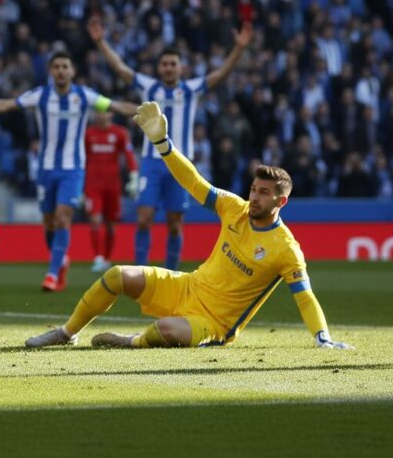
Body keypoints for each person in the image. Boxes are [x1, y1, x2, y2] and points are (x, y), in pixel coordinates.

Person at [25, 101, 353, 350]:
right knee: (116, 276)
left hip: (213, 322)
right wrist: (163, 144)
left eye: (264, 194)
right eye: (254, 189)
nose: (254, 197)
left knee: (166, 330)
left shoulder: (286, 249)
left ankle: (131, 342)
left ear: (281, 202)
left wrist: (323, 338)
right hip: (187, 286)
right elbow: (194, 182)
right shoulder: (233, 208)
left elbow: (305, 298)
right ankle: (67, 333)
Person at [88, 16, 253, 271]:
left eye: (173, 64)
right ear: (159, 68)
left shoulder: (190, 89)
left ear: (181, 68)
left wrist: (239, 48)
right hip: (152, 163)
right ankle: (140, 272)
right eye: (164, 64)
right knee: (144, 219)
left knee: (175, 223)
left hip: (180, 164)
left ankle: (172, 273)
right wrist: (100, 43)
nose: (168, 68)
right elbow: (120, 68)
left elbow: (220, 75)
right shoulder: (149, 87)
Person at [0, 52, 135, 292]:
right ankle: (60, 259)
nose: (61, 70)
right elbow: (6, 105)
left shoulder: (85, 96)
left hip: (73, 169)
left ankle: (52, 273)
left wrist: (144, 111)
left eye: (65, 66)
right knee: (49, 222)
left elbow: (116, 106)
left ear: (72, 71)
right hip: (45, 169)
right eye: (56, 66)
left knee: (63, 216)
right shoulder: (41, 95)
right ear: (51, 71)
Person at [85, 110, 138, 273]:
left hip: (113, 186)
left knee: (110, 226)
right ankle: (98, 258)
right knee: (95, 219)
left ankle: (107, 259)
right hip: (93, 185)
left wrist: (134, 175)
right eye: (99, 112)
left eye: (105, 112)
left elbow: (129, 155)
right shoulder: (88, 134)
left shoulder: (119, 133)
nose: (102, 115)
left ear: (111, 114)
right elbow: (82, 158)